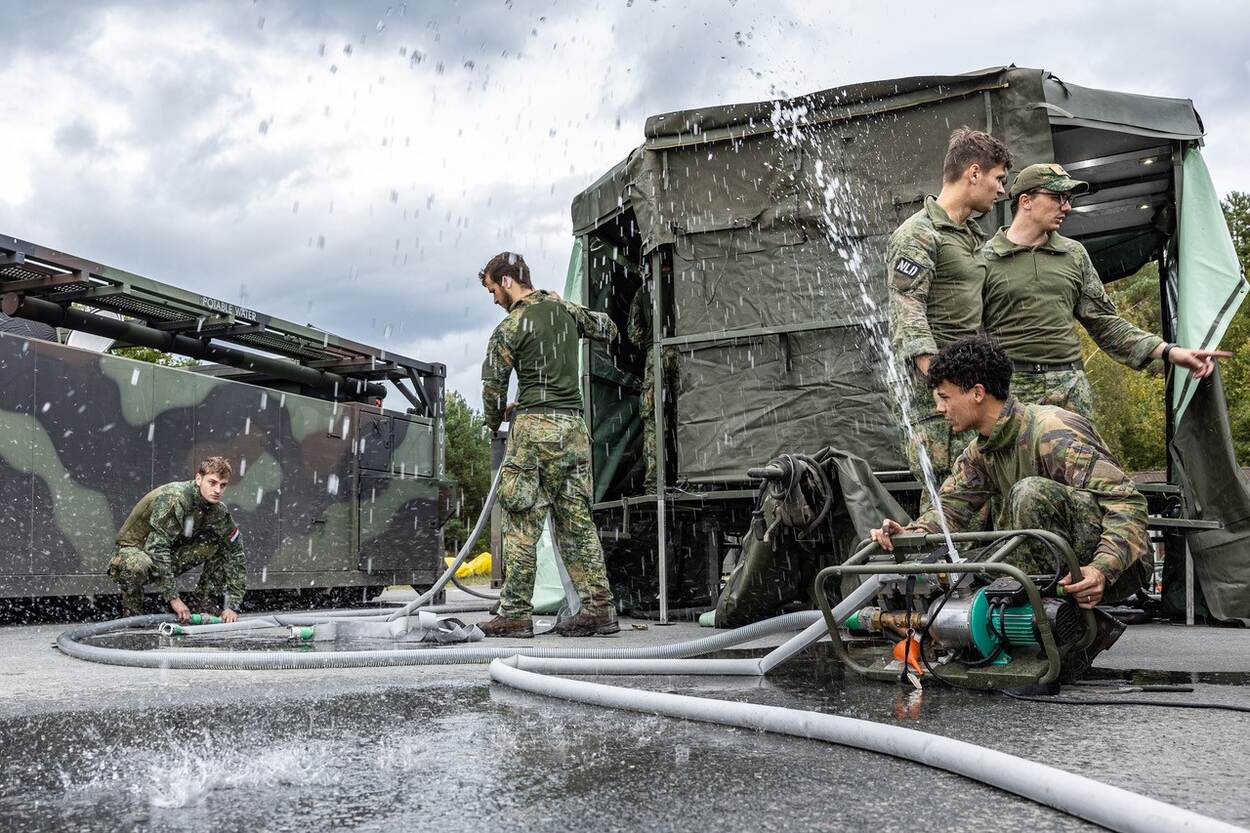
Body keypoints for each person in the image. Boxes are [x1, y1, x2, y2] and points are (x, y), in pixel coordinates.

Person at [870, 336, 1151, 609]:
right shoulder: (980, 451)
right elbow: (950, 512)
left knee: (1029, 492)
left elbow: (1128, 502)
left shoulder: (1052, 432)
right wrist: (910, 532)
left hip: (1117, 569)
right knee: (965, 569)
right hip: (1055, 558)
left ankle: (1060, 619)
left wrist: (1101, 568)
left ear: (977, 393)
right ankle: (1030, 618)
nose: (939, 408)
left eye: (945, 397)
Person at [981, 163, 1228, 420]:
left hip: (1068, 392)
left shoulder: (1073, 255)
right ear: (1026, 201)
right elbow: (966, 333)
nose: (1066, 207)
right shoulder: (985, 258)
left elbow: (1105, 324)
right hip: (1008, 392)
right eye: (1057, 197)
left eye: (1068, 198)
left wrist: (1169, 351)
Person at [477, 251, 619, 638]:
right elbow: (608, 328)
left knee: (522, 521)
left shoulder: (510, 327)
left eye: (492, 290)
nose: (494, 299)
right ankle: (599, 609)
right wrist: (567, 305)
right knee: (576, 523)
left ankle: (515, 613)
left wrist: (495, 420)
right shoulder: (565, 311)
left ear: (507, 281)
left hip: (534, 432)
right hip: (573, 430)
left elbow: (492, 387)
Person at [886, 127, 1013, 496]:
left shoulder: (971, 236)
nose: (1001, 190)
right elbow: (908, 311)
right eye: (998, 179)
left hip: (972, 394)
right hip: (936, 403)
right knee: (948, 500)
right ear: (974, 173)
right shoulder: (919, 233)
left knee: (984, 497)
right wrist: (941, 385)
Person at [108, 456, 245, 622]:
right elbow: (157, 548)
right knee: (135, 565)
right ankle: (132, 612)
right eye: (212, 482)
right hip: (134, 551)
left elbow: (236, 554)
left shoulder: (219, 512)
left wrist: (233, 606)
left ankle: (203, 602)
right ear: (199, 479)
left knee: (221, 544)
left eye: (222, 485)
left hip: (166, 553)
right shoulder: (174, 498)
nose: (217, 490)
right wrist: (173, 598)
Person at [627, 277, 679, 495]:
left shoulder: (644, 291)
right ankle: (691, 477)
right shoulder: (682, 282)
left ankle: (654, 483)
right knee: (688, 413)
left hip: (655, 356)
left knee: (653, 420)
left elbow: (634, 333)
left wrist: (650, 341)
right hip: (685, 351)